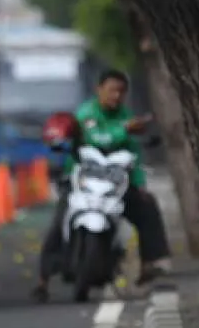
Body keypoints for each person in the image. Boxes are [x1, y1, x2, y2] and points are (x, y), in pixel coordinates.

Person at [31, 69, 173, 303]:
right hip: (83, 178)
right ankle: (43, 280)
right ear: (99, 90)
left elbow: (134, 152)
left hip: (115, 181)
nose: (116, 96)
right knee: (59, 220)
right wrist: (125, 129)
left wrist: (139, 184)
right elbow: (99, 138)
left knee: (147, 206)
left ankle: (152, 262)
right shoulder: (87, 114)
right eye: (111, 90)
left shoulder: (126, 115)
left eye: (121, 91)